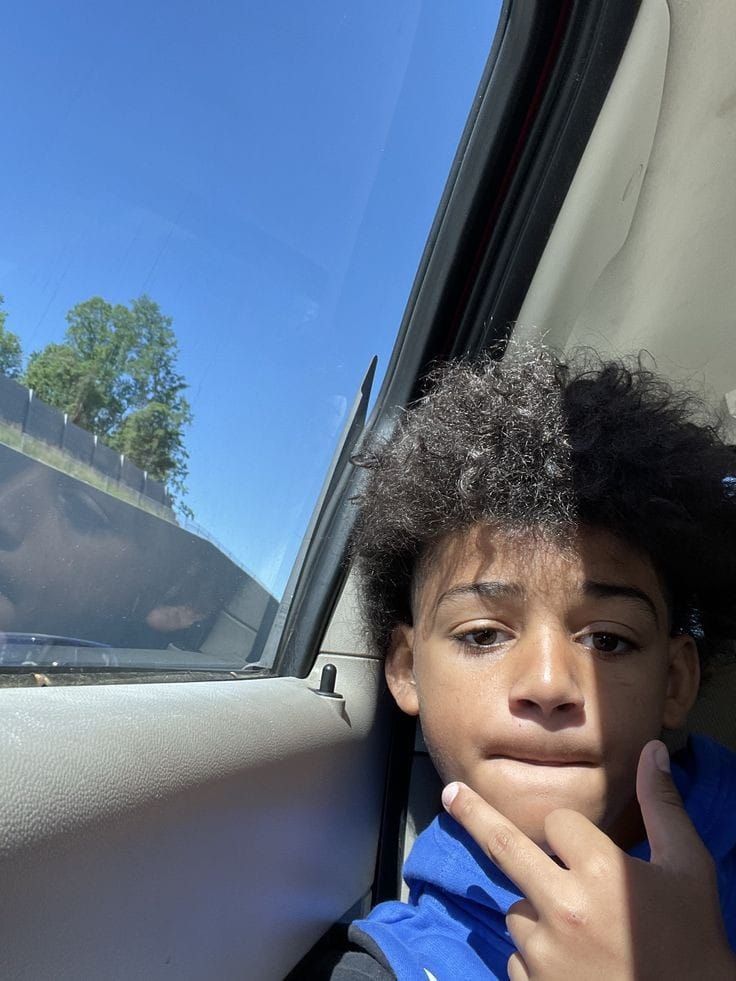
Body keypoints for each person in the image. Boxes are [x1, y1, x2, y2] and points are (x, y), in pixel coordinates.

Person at [322, 349, 736, 979]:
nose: (548, 685)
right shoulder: (393, 966)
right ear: (406, 670)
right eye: (484, 634)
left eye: (608, 641)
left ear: (675, 680)